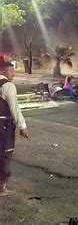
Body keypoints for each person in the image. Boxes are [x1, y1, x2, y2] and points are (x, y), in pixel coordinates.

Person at [0, 58, 29, 196]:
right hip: (3, 125)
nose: (13, 74)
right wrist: (22, 126)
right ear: (2, 71)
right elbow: (15, 109)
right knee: (5, 154)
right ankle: (2, 187)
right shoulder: (8, 86)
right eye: (10, 71)